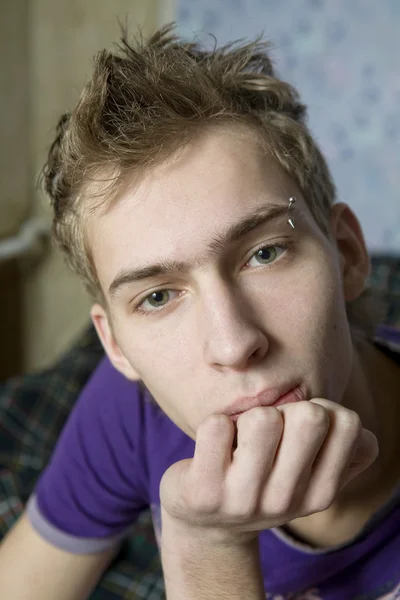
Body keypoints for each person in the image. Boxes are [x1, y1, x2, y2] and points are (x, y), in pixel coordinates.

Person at [0, 23, 399, 600]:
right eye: (158, 296)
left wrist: (208, 549)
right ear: (116, 347)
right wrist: (205, 540)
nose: (234, 343)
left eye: (264, 253)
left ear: (347, 254)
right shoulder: (131, 408)